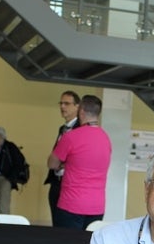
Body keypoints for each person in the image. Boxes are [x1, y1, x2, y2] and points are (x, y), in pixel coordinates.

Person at [47, 95, 111, 229]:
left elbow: (52, 164)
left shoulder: (71, 137)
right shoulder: (106, 139)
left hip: (71, 204)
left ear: (80, 111)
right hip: (97, 207)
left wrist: (64, 163)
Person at [44, 91, 80, 220]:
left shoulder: (80, 129)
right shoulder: (63, 128)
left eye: (67, 103)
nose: (62, 107)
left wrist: (62, 164)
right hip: (56, 181)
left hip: (70, 183)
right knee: (56, 221)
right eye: (61, 103)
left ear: (77, 106)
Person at [0, 126, 26, 214]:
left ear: (0, 136)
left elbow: (19, 162)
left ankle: (3, 225)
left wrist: (10, 179)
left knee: (2, 205)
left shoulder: (10, 146)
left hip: (5, 179)